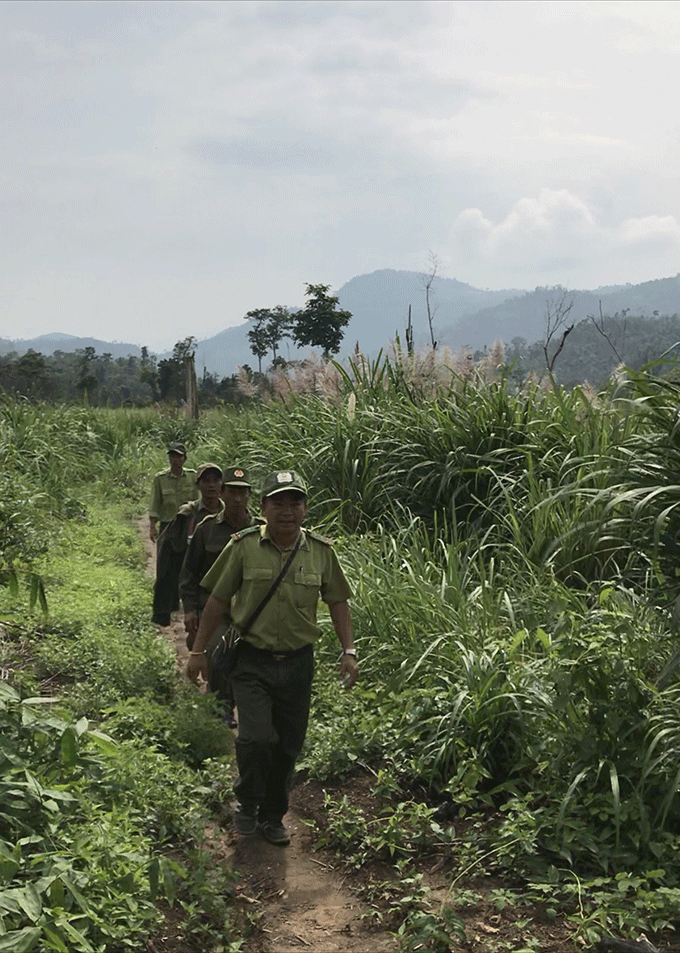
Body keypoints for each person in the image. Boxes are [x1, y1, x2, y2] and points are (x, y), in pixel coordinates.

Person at [186, 470, 359, 846]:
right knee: (256, 738)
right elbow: (216, 600)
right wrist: (198, 652)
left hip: (299, 663)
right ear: (262, 507)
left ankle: (273, 815)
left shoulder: (321, 552)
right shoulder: (243, 546)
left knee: (288, 745)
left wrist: (348, 651)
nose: (287, 511)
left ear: (305, 508)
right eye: (278, 502)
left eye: (295, 502)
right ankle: (247, 803)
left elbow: (338, 601)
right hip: (251, 661)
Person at [179, 467, 263, 727]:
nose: (238, 499)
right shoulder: (208, 530)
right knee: (217, 652)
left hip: (253, 609)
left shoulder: (261, 530)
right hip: (215, 609)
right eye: (233, 492)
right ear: (224, 493)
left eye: (243, 492)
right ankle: (221, 706)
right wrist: (191, 610)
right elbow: (190, 573)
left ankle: (247, 705)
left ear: (250, 495)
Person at [151, 461, 221, 627]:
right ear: (198, 485)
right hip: (197, 584)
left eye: (215, 481)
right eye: (206, 481)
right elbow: (169, 558)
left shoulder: (231, 514)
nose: (211, 486)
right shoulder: (188, 515)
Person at [148, 443, 197, 545]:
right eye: (172, 456)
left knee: (188, 559)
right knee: (164, 558)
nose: (175, 460)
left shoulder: (193, 477)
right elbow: (155, 503)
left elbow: (198, 502)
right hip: (167, 525)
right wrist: (152, 527)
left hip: (188, 525)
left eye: (179, 456)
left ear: (184, 458)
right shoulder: (160, 479)